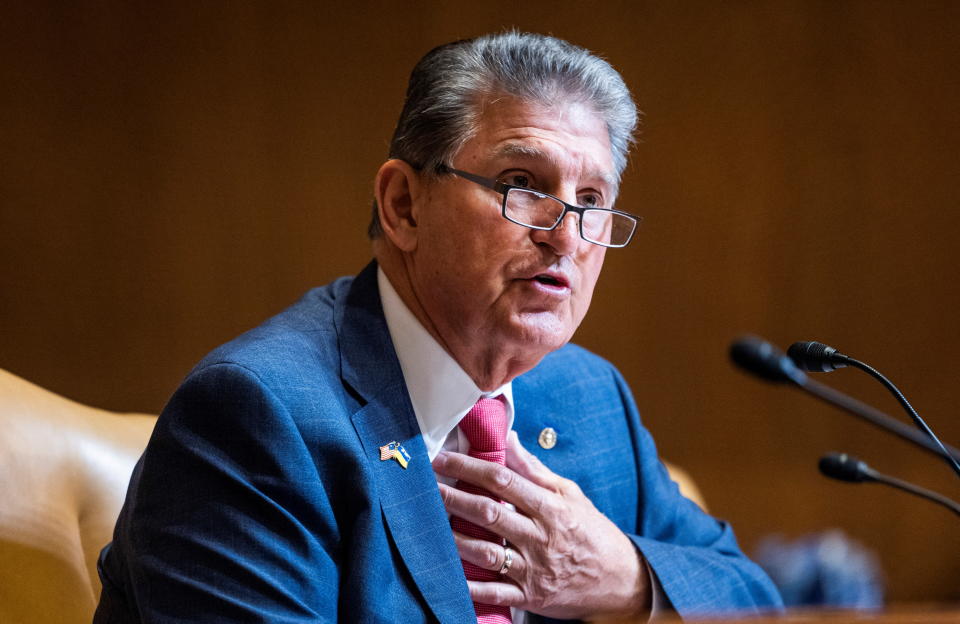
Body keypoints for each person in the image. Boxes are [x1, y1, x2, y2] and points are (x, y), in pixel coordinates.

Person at [95, 31, 783, 623]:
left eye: (593, 201)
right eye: (523, 183)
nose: (567, 236)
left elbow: (757, 600)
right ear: (403, 206)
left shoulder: (588, 396)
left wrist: (624, 577)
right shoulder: (258, 417)